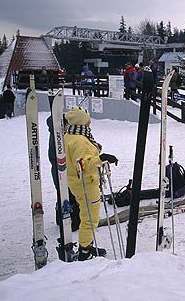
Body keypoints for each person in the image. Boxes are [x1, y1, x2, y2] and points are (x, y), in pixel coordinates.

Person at [64, 107, 118, 260]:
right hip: (86, 183)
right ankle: (85, 250)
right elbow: (84, 166)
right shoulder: (80, 140)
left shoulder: (71, 134)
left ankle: (86, 244)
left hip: (77, 181)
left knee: (86, 215)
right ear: (82, 121)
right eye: (87, 120)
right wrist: (101, 158)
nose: (90, 123)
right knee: (90, 218)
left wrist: (95, 150)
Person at [46, 115, 81, 232]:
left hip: (58, 170)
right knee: (67, 194)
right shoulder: (59, 137)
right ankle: (71, 221)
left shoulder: (56, 135)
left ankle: (63, 219)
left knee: (62, 194)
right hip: (62, 170)